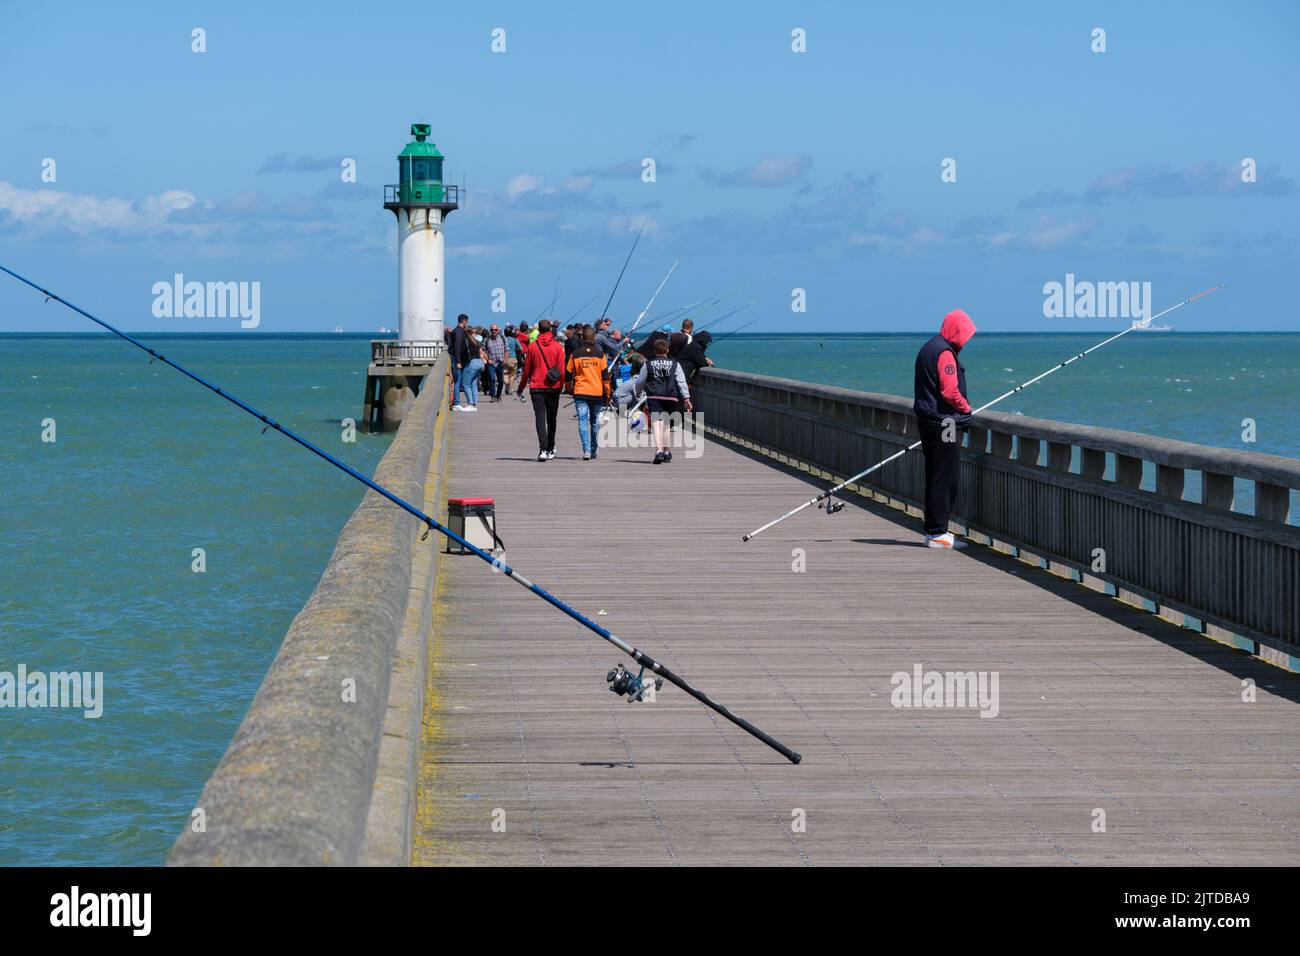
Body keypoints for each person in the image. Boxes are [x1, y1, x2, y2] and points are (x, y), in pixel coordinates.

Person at [912, 308, 977, 549]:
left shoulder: (929, 348)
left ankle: (933, 531)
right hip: (943, 424)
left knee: (934, 475)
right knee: (945, 478)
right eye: (965, 335)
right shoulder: (945, 353)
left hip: (928, 420)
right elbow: (949, 391)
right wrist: (966, 409)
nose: (965, 341)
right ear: (957, 331)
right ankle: (938, 532)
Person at [634, 337, 691, 464]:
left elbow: (640, 381)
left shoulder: (648, 364)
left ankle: (658, 451)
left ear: (654, 351)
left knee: (656, 424)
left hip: (654, 396)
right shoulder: (675, 364)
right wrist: (686, 398)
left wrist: (638, 392)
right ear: (667, 350)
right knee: (666, 424)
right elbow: (681, 381)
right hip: (671, 397)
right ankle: (666, 451)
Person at [522, 319, 565, 460]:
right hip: (553, 387)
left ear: (539, 330)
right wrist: (561, 385)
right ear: (550, 329)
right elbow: (562, 370)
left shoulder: (533, 347)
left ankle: (543, 449)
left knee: (540, 417)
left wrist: (521, 386)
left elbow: (527, 369)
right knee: (552, 418)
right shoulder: (558, 346)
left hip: (537, 387)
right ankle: (551, 447)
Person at [566, 326, 611, 460]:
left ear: (582, 337)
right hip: (596, 392)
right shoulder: (600, 354)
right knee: (594, 422)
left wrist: (569, 388)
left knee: (582, 421)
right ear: (594, 338)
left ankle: (586, 450)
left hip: (580, 392)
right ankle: (594, 448)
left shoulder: (575, 354)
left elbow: (568, 375)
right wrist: (607, 394)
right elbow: (605, 377)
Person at [449, 314, 473, 410]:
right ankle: (457, 403)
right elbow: (457, 347)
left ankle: (457, 403)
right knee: (458, 381)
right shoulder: (459, 332)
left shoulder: (459, 331)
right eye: (467, 321)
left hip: (462, 360)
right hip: (460, 360)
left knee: (459, 381)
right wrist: (458, 361)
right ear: (464, 321)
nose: (467, 323)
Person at [460, 325, 485, 410]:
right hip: (479, 362)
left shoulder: (466, 341)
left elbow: (464, 353)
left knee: (466, 384)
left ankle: (470, 404)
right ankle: (474, 404)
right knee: (473, 383)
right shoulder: (476, 341)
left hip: (472, 363)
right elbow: (481, 352)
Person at [484, 324, 507, 402]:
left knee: (500, 381)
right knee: (492, 379)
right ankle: (493, 396)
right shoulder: (487, 340)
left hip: (500, 362)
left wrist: (505, 360)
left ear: (498, 330)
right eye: (492, 330)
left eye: (495, 330)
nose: (494, 331)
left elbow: (507, 350)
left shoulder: (503, 339)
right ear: (490, 330)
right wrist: (487, 360)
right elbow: (484, 351)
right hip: (491, 363)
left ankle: (498, 395)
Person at [503, 324, 519, 394]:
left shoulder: (503, 339)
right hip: (513, 358)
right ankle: (511, 388)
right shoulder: (514, 340)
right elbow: (521, 348)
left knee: (505, 373)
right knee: (512, 375)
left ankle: (507, 385)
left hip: (505, 358)